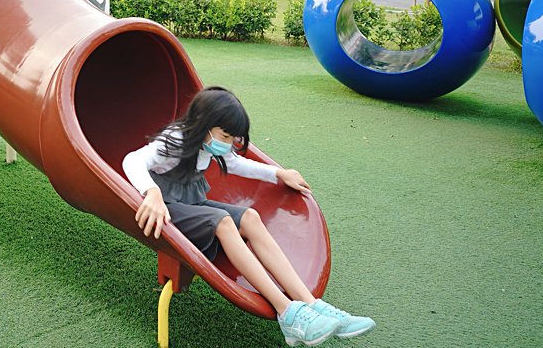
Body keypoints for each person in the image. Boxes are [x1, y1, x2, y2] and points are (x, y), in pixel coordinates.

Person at [122, 87, 375, 347]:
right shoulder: (175, 140)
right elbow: (132, 160)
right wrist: (150, 192)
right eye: (225, 135)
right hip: (165, 211)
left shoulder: (209, 143)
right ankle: (287, 312)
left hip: (190, 204)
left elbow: (236, 164)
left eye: (233, 137)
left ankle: (311, 304)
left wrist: (279, 173)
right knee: (222, 221)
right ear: (204, 123)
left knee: (251, 218)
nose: (229, 143)